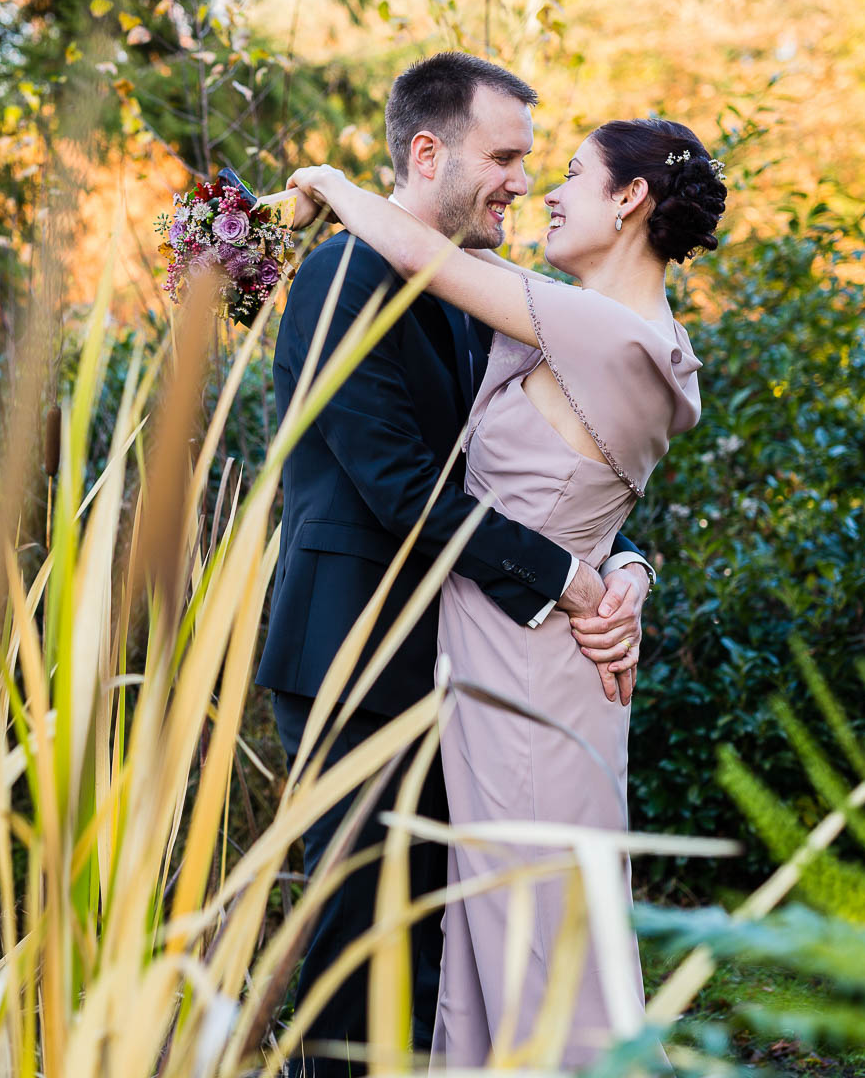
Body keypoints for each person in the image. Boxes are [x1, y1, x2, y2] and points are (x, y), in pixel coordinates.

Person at [283, 111, 726, 1069]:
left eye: (566, 172)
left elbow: (418, 250)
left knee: (532, 939)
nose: (546, 191)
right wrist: (627, 572)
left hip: (528, 674)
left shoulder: (594, 326)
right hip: (495, 657)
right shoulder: (593, 328)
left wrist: (328, 181)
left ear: (631, 200)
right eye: (524, 162)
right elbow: (582, 506)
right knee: (487, 936)